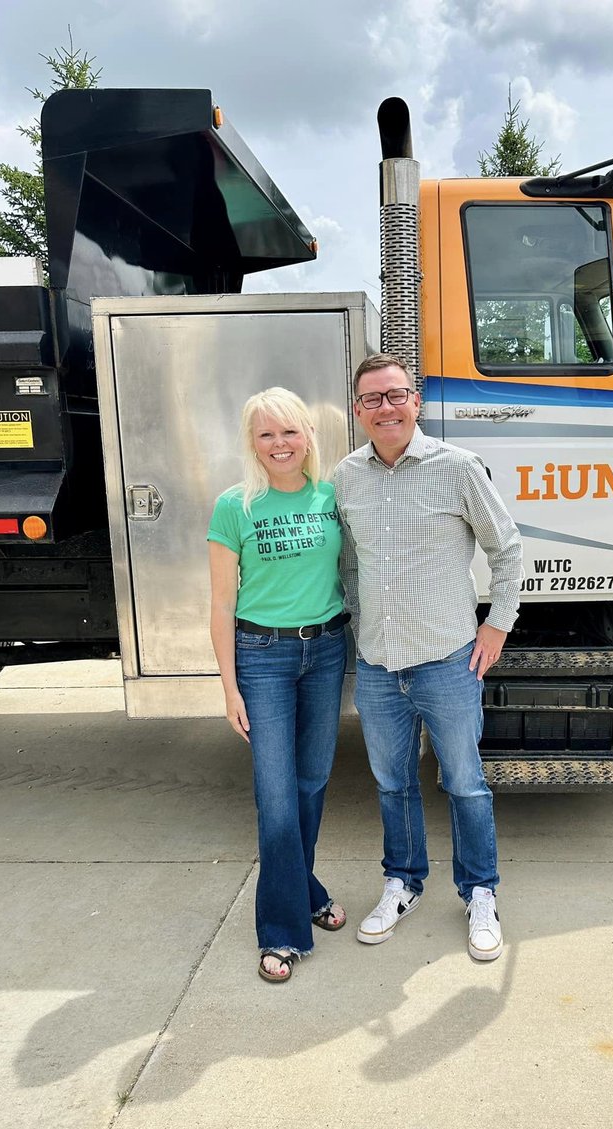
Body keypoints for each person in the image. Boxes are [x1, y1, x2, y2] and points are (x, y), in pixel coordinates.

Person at [334, 353, 523, 962]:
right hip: (378, 665)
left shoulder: (459, 468)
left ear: (415, 401)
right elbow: (349, 566)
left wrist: (496, 625)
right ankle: (403, 881)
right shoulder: (346, 477)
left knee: (464, 783)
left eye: (396, 395)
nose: (385, 407)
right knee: (392, 784)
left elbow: (507, 549)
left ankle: (479, 893)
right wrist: (359, 633)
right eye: (372, 399)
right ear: (359, 410)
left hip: (447, 658)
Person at [208, 387, 348, 983]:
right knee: (276, 795)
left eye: (289, 431)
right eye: (266, 435)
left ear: (308, 436)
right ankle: (283, 931)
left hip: (327, 648)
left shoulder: (332, 496)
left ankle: (305, 887)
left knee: (312, 781)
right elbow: (219, 604)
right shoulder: (235, 505)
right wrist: (229, 686)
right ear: (252, 444)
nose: (279, 444)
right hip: (261, 654)